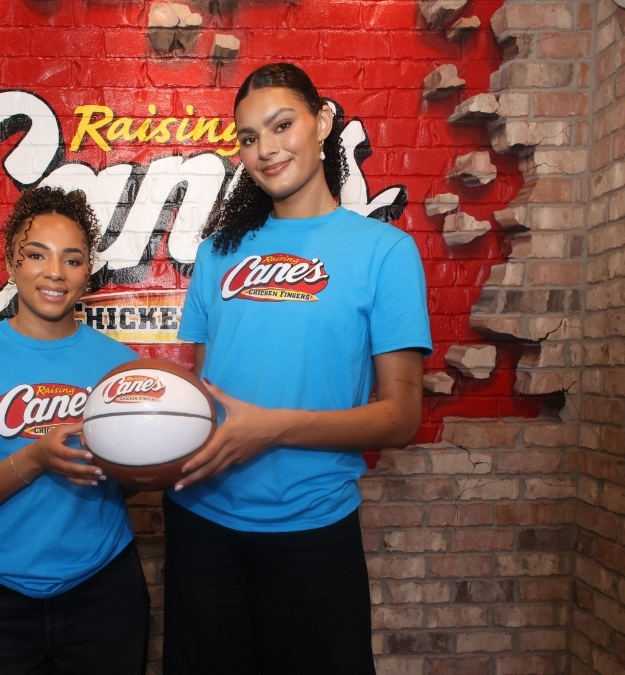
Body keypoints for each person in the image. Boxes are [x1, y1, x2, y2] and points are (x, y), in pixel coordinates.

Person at [166, 63, 433, 675]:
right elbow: (204, 398)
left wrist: (275, 427)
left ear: (323, 122)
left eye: (281, 125)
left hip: (311, 534)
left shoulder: (384, 252)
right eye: (249, 138)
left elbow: (399, 418)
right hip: (201, 529)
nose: (265, 149)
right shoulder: (219, 251)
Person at [0, 186, 149, 675]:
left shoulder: (121, 366)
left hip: (104, 591)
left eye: (73, 259)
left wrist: (163, 462)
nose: (55, 272)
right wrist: (35, 459)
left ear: (88, 273)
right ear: (10, 263)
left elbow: (133, 482)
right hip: (2, 600)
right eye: (36, 254)